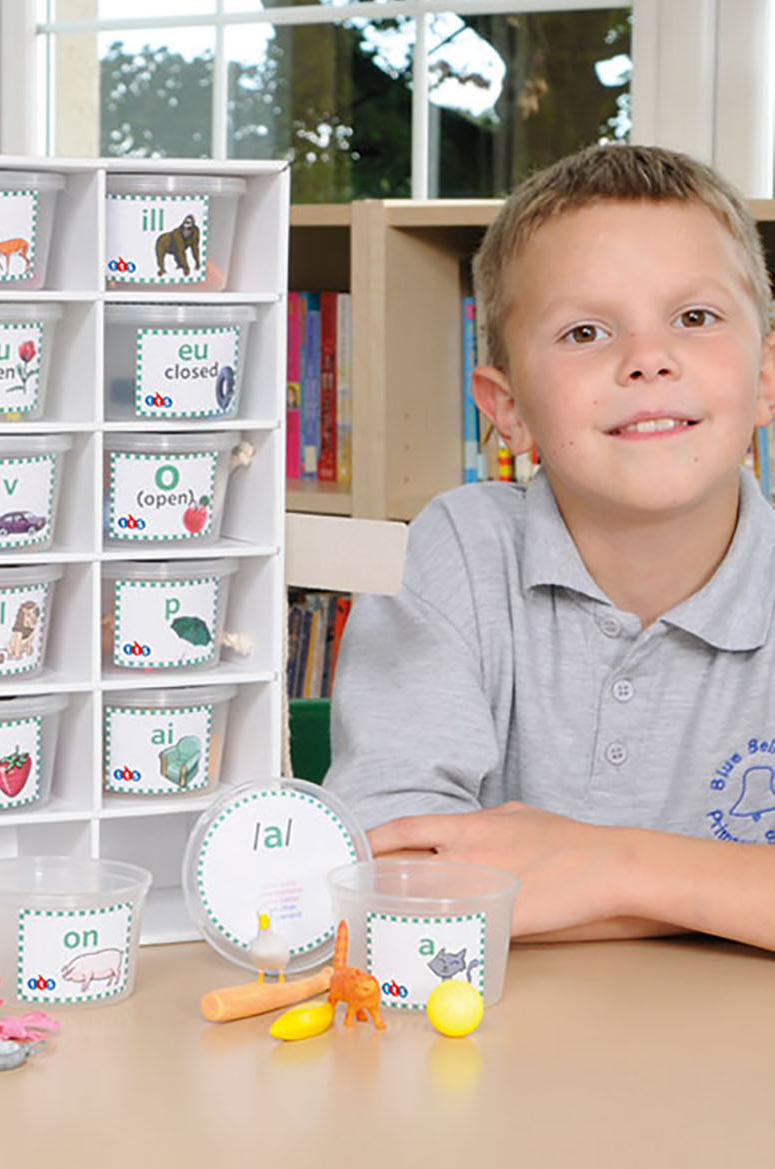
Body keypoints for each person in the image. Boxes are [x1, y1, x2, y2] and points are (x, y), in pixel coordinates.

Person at [326, 144, 775, 949]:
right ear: (509, 411)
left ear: (767, 377)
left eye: (694, 318)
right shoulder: (457, 550)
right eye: (585, 331)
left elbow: (468, 889)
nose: (648, 360)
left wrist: (610, 868)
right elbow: (393, 871)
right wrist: (726, 894)